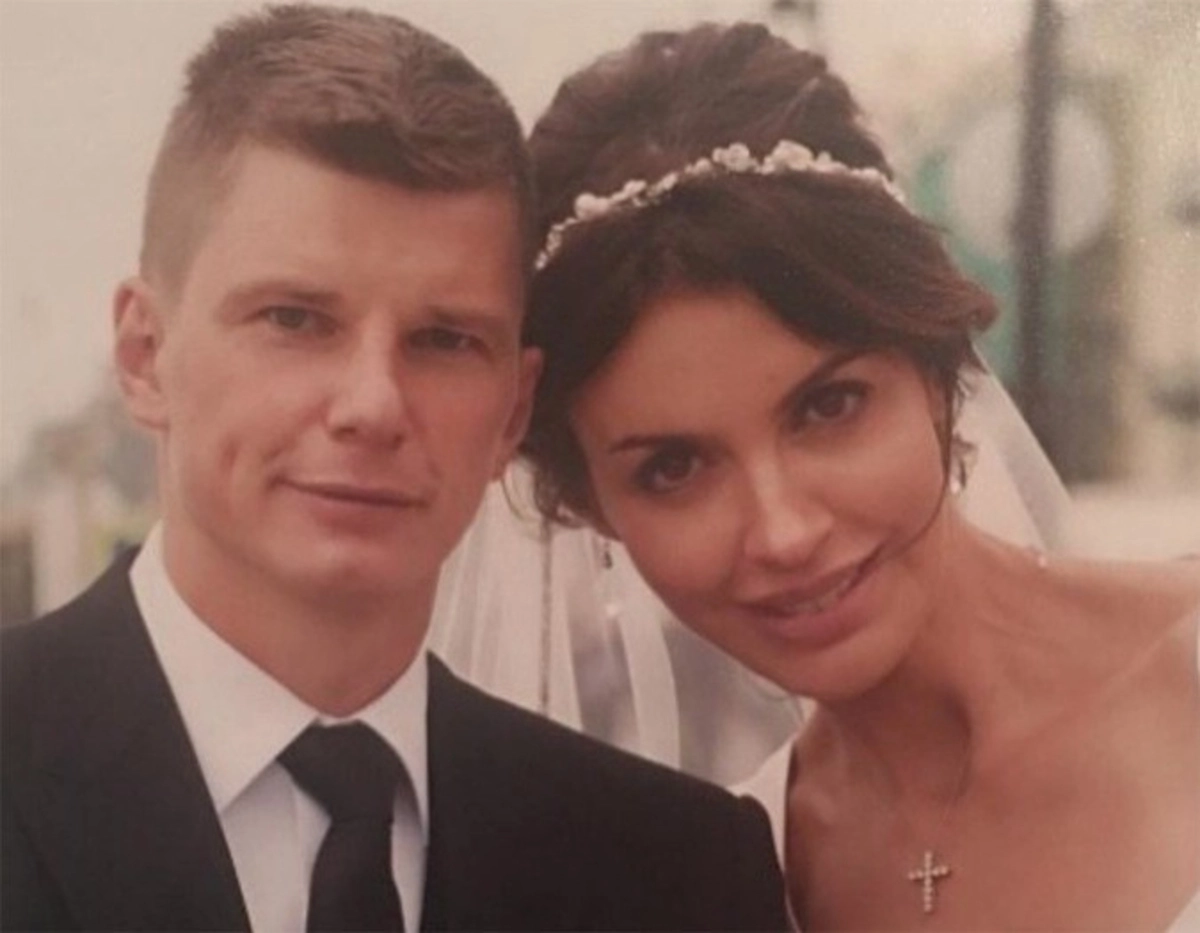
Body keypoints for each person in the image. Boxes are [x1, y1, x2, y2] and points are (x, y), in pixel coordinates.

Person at [0, 7, 790, 931]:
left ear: (514, 412)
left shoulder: (678, 871)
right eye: (295, 319)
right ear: (145, 355)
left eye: (444, 339)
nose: (373, 404)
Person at [519, 22, 1200, 931]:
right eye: (674, 468)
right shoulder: (738, 872)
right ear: (589, 504)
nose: (784, 531)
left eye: (828, 407)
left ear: (937, 368)